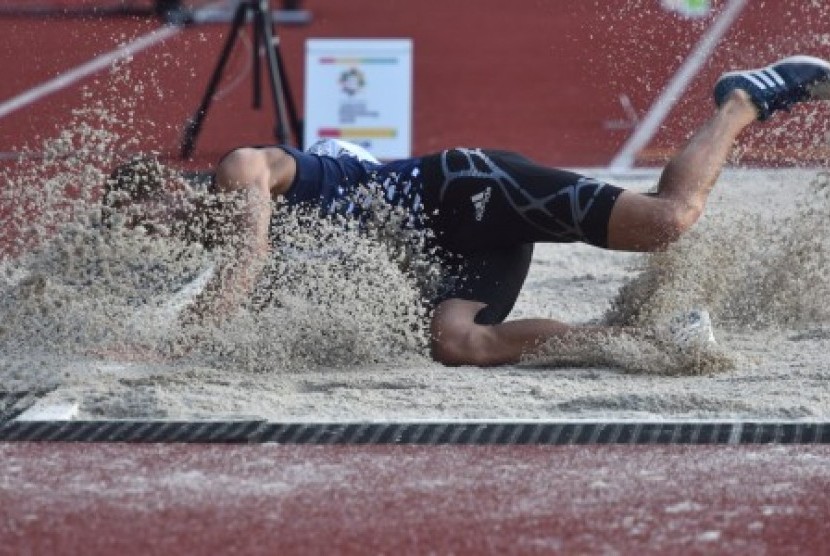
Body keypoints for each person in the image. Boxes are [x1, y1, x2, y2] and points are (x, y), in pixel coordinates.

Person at [105, 55, 830, 366]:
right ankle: (653, 343)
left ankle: (744, 99)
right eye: (150, 239)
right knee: (456, 343)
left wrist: (170, 344)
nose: (165, 237)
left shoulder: (240, 172)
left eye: (156, 221)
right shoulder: (219, 237)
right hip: (450, 255)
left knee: (667, 222)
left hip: (465, 188)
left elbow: (249, 258)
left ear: (169, 193)